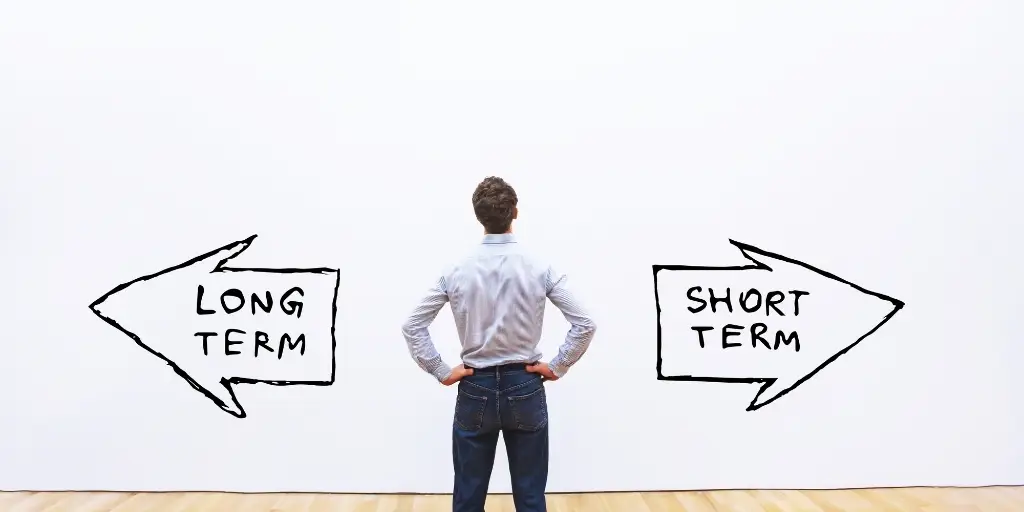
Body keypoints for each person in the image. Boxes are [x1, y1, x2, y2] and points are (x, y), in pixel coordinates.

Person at [401, 176, 597, 512]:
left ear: (478, 216)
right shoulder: (539, 267)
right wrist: (558, 365)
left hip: (474, 385)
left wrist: (441, 370)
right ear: (515, 212)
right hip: (525, 384)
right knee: (531, 495)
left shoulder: (456, 270)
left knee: (467, 495)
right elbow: (585, 322)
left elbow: (413, 325)